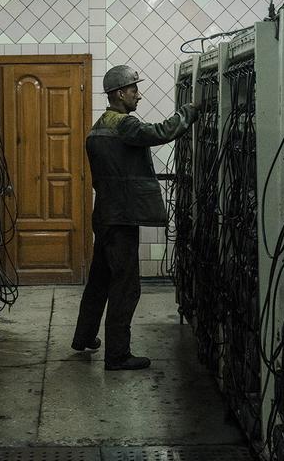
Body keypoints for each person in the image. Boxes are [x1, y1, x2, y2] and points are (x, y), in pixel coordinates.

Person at [71, 64, 201, 371]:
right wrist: (188, 112)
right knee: (126, 286)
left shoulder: (99, 125)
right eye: (133, 90)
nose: (138, 95)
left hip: (104, 215)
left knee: (100, 281)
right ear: (119, 94)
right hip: (122, 219)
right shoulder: (125, 125)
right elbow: (160, 132)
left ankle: (84, 337)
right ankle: (117, 355)